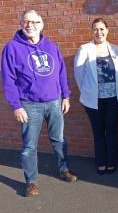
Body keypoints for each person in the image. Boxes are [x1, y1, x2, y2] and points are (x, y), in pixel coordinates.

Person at [1, 10, 78, 197]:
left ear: (42, 25)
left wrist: (65, 96)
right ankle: (31, 181)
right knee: (29, 146)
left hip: (54, 102)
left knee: (59, 139)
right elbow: (8, 79)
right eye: (26, 22)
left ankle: (64, 169)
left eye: (34, 22)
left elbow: (61, 73)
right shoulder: (12, 48)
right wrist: (16, 106)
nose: (30, 25)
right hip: (28, 105)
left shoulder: (51, 47)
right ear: (21, 24)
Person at [74, 18, 118, 175]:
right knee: (98, 132)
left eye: (102, 29)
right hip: (93, 99)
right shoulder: (85, 49)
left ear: (107, 30)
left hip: (113, 98)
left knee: (112, 131)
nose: (99, 32)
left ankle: (112, 162)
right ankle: (101, 162)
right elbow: (78, 74)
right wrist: (86, 91)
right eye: (95, 29)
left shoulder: (114, 49)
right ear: (92, 31)